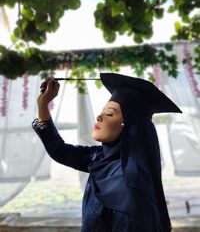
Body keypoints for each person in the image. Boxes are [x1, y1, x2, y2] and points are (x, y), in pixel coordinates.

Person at [32, 72, 182, 232]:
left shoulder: (130, 195)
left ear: (129, 125)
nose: (99, 117)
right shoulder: (100, 157)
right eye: (103, 111)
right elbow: (60, 151)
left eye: (109, 113)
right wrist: (43, 105)